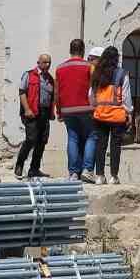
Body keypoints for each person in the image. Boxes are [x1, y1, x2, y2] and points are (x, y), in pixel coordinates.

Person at [89, 45, 132, 185]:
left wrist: (96, 107)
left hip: (100, 115)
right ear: (116, 59)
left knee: (100, 145)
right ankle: (114, 176)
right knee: (115, 146)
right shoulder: (122, 74)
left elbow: (91, 94)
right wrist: (129, 111)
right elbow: (126, 96)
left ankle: (100, 176)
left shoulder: (97, 73)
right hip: (117, 116)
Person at [54, 40, 95, 182]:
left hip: (67, 109)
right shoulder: (89, 66)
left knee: (72, 138)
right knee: (91, 136)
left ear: (70, 50)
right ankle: (87, 169)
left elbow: (57, 91)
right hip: (87, 108)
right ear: (83, 50)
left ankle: (73, 173)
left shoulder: (59, 68)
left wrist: (58, 111)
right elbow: (94, 88)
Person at [14, 53, 55, 179]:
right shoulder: (29, 74)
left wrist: (51, 112)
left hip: (44, 112)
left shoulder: (50, 79)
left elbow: (51, 97)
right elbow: (22, 92)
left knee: (42, 141)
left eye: (49, 62)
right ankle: (19, 165)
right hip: (31, 112)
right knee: (31, 139)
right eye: (45, 62)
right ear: (38, 63)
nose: (47, 65)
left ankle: (34, 169)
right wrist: (26, 109)